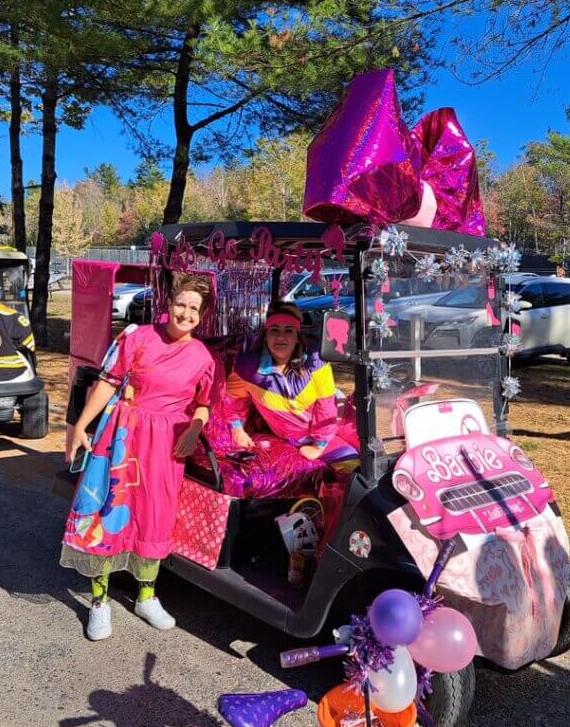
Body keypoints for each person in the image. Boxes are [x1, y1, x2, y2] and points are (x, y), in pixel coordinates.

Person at [61, 272, 216, 641]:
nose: (186, 313)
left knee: (154, 516)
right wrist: (82, 424)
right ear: (169, 304)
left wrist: (195, 428)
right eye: (181, 304)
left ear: (202, 315)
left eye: (194, 308)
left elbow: (204, 403)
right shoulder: (138, 337)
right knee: (106, 511)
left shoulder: (203, 357)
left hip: (166, 446)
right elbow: (109, 381)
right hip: (122, 437)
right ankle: (99, 601)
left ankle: (146, 595)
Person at [225, 302, 358, 474]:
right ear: (265, 335)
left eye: (288, 330)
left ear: (297, 336)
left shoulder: (315, 361)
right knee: (353, 469)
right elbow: (234, 399)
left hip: (340, 418)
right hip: (304, 437)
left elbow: (326, 406)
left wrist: (319, 445)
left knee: (375, 458)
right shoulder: (248, 369)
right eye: (274, 330)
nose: (281, 337)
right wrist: (237, 428)